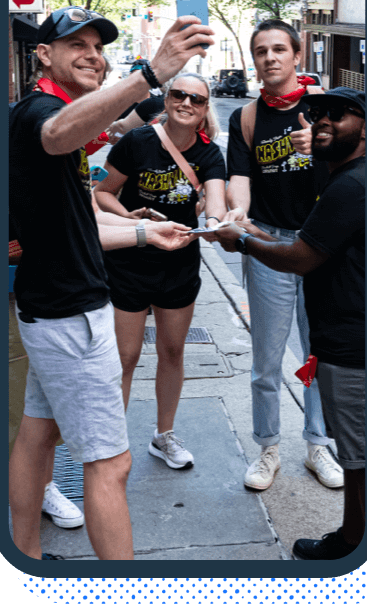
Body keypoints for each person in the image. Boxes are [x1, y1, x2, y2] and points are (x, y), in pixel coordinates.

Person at [9, 5, 214, 561]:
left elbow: (79, 225)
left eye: (98, 47)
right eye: (76, 44)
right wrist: (151, 73)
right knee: (111, 463)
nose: (92, 55)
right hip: (72, 316)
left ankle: (25, 552)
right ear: (43, 55)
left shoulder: (65, 123)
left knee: (37, 434)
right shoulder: (42, 113)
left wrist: (146, 234)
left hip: (51, 309)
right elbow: (55, 134)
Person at [214, 86, 365, 559]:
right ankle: (348, 536)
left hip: (352, 347)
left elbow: (303, 255)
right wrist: (253, 229)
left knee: (360, 461)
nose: (322, 121)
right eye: (318, 114)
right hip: (344, 335)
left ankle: (355, 542)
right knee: (359, 459)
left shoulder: (351, 184)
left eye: (339, 115)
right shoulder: (349, 178)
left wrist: (240, 243)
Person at [224, 19, 343, 491]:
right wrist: (237, 217)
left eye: (279, 49)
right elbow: (240, 179)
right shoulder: (246, 118)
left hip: (323, 244)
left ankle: (318, 444)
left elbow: (358, 168)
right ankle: (268, 447)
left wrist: (319, 145)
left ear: (297, 55)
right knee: (267, 360)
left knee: (322, 354)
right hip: (272, 245)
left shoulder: (330, 110)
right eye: (260, 51)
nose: (270, 57)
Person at [93, 72, 227, 469]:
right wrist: (132, 219)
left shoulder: (208, 155)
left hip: (178, 266)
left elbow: (216, 204)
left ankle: (163, 435)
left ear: (204, 111)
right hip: (129, 261)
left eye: (196, 100)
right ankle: (112, 444)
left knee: (172, 351)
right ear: (167, 99)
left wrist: (217, 223)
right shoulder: (137, 142)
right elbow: (101, 192)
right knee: (126, 356)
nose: (186, 103)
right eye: (179, 95)